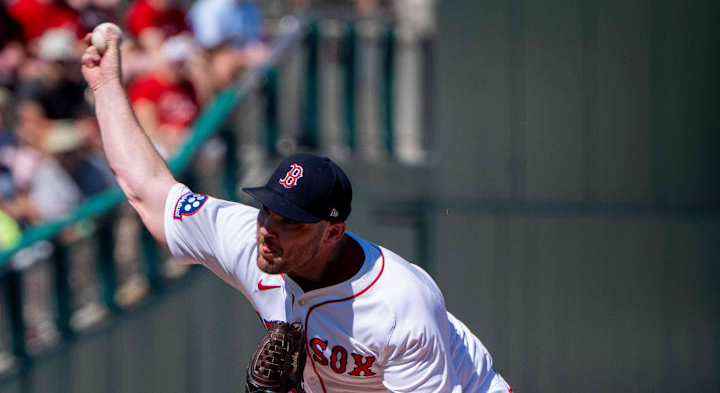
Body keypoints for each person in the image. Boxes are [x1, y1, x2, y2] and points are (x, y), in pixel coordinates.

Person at [80, 30, 512, 392]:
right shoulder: (252, 238)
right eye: (268, 210)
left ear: (332, 232)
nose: (269, 229)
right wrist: (106, 87)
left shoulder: (400, 304)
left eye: (291, 222)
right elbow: (148, 191)